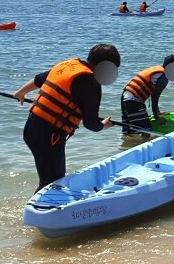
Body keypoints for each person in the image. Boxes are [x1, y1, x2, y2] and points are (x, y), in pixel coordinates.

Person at [12, 44, 119, 191]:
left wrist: (20, 93)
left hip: (31, 127)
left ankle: (45, 209)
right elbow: (90, 123)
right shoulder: (91, 82)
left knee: (49, 179)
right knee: (53, 181)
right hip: (49, 136)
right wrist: (104, 125)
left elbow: (38, 80)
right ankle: (42, 211)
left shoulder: (68, 65)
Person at [120, 55, 174, 136]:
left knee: (129, 130)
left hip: (125, 96)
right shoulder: (163, 77)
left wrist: (158, 112)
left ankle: (127, 146)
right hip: (134, 100)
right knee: (146, 131)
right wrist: (157, 117)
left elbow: (153, 96)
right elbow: (155, 98)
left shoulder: (158, 71)